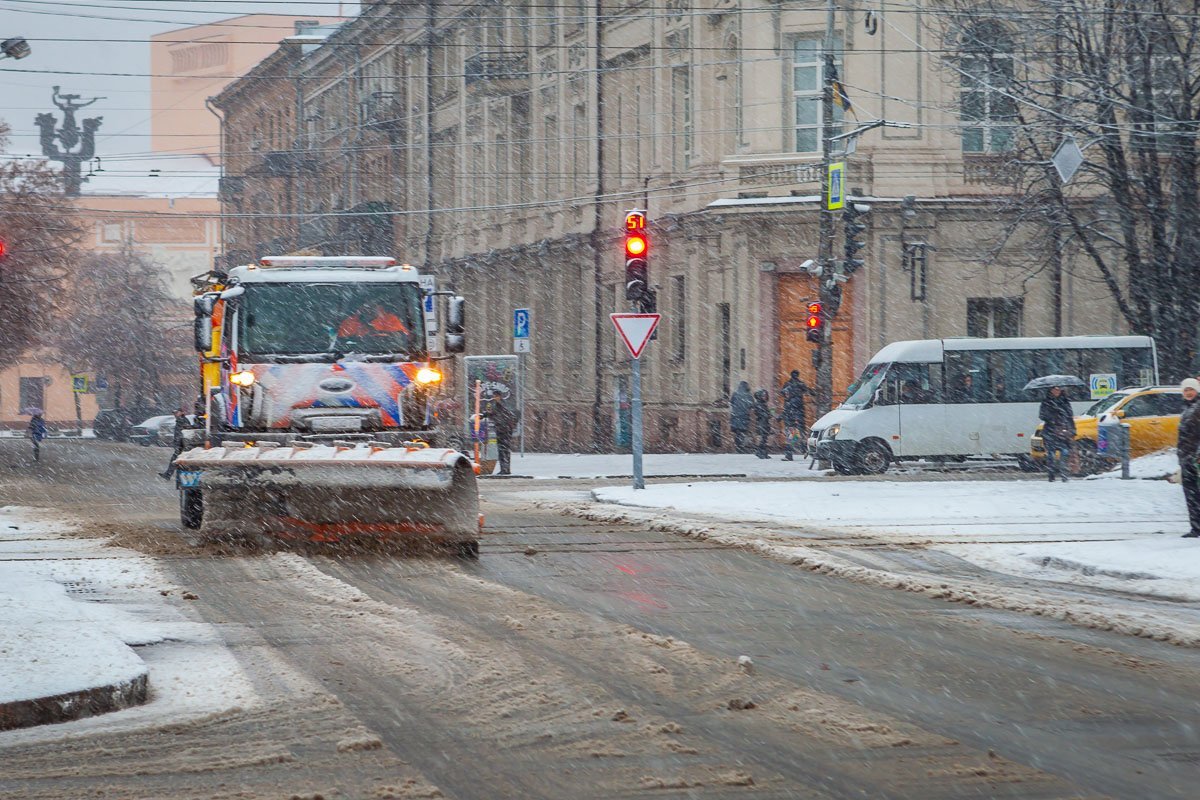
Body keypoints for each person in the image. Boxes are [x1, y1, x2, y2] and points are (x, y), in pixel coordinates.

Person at [1039, 385, 1076, 483]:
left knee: (1064, 453)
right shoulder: (1046, 401)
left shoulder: (1065, 401)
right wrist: (1052, 416)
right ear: (1050, 390)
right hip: (1050, 431)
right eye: (1054, 389)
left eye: (1058, 389)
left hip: (1063, 432)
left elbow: (1069, 416)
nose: (1057, 391)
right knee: (1051, 455)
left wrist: (1072, 430)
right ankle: (1051, 475)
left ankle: (1064, 474)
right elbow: (1042, 415)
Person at [1178, 378, 1200, 538]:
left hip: (1196, 458)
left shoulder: (1198, 408)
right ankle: (1196, 527)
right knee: (1191, 494)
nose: (1188, 393)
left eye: (1191, 389)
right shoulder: (1187, 408)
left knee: (1195, 493)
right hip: (1187, 458)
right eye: (1186, 390)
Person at [779, 371, 812, 460]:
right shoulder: (800, 385)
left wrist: (781, 416)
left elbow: (787, 407)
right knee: (797, 434)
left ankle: (792, 454)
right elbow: (809, 391)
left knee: (792, 435)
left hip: (792, 417)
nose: (785, 395)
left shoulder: (789, 388)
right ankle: (804, 449)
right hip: (798, 416)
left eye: (786, 394)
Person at [484, 390, 519, 475]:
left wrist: (506, 424)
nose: (494, 398)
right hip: (501, 430)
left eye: (495, 396)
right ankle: (504, 469)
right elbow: (494, 414)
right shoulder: (498, 405)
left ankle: (505, 469)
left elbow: (504, 415)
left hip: (504, 431)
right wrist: (485, 415)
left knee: (504, 450)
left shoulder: (503, 405)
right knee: (502, 450)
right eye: (494, 396)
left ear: (499, 396)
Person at [337, 302, 409, 338]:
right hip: (356, 355)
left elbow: (400, 336)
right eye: (365, 308)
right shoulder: (350, 322)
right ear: (359, 309)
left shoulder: (391, 320)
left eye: (372, 307)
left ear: (379, 308)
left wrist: (374, 331)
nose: (369, 311)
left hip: (387, 354)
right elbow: (342, 340)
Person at [160, 409, 189, 480]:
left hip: (181, 445)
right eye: (174, 413)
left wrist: (178, 444)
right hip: (181, 444)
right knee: (177, 461)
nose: (175, 414)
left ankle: (169, 475)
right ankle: (169, 475)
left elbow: (181, 434)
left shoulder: (181, 420)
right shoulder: (180, 420)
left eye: (177, 412)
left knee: (175, 460)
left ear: (182, 412)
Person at [729, 381, 753, 453]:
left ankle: (738, 447)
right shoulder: (748, 395)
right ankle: (741, 447)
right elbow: (751, 405)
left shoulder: (735, 393)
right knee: (742, 432)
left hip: (735, 415)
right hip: (744, 415)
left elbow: (731, 402)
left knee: (737, 432)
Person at [752, 389, 772, 460]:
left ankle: (763, 453)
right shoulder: (758, 404)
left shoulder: (763, 404)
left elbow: (766, 414)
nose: (765, 397)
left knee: (764, 438)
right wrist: (768, 414)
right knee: (763, 439)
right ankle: (759, 452)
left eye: (765, 396)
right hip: (762, 423)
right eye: (763, 396)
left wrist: (769, 414)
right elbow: (761, 414)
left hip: (765, 423)